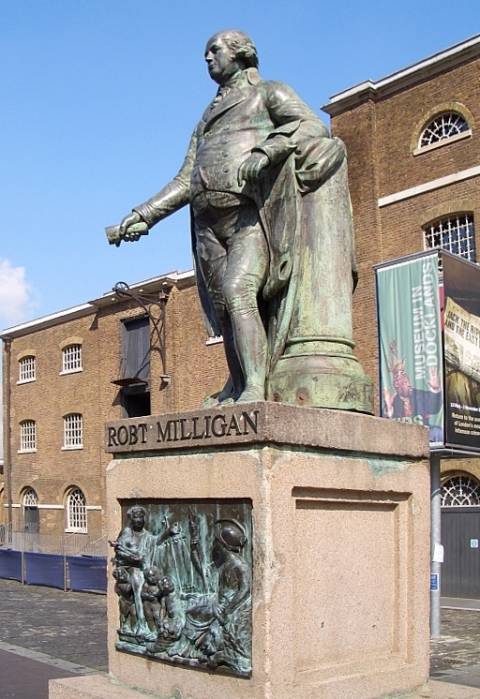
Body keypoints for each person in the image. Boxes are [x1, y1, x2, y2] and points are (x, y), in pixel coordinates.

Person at [113, 30, 347, 405]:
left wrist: (269, 149)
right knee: (222, 308)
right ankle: (236, 384)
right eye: (205, 52)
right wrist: (144, 215)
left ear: (240, 53)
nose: (207, 58)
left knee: (240, 292)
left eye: (214, 50)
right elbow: (185, 178)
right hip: (207, 224)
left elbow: (310, 126)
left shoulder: (269, 92)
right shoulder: (205, 118)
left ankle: (256, 385)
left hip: (248, 216)